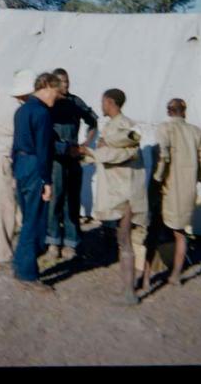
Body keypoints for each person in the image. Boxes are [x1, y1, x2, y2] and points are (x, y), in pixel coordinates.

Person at [79, 89, 148, 305]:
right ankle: (127, 288)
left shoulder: (127, 126)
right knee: (122, 240)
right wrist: (87, 155)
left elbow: (126, 153)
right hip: (117, 191)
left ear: (109, 102)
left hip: (126, 192)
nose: (101, 105)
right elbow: (106, 155)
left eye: (102, 102)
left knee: (126, 241)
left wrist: (93, 153)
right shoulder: (111, 126)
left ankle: (130, 293)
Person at [142, 98, 201, 288]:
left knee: (153, 232)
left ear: (169, 111)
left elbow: (163, 155)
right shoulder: (196, 132)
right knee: (180, 233)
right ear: (184, 111)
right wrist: (199, 180)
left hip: (167, 187)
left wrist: (157, 178)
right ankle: (176, 276)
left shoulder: (165, 128)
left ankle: (146, 278)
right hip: (187, 189)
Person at [11, 72, 65, 291]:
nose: (57, 97)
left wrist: (16, 170)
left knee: (27, 219)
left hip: (22, 165)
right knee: (34, 221)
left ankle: (19, 265)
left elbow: (15, 144)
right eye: (56, 92)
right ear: (46, 87)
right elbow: (44, 150)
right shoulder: (42, 113)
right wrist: (46, 180)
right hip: (35, 167)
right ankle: (28, 275)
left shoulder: (21, 110)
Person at [45, 68, 98, 260]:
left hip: (74, 156)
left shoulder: (76, 102)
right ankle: (53, 241)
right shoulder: (49, 104)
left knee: (72, 200)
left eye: (67, 81)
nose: (66, 85)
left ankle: (71, 242)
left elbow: (93, 121)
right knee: (55, 199)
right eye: (61, 82)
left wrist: (86, 142)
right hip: (56, 158)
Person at [0, 69, 35, 264]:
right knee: (3, 206)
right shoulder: (15, 109)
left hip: (5, 156)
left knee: (11, 203)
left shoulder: (14, 102)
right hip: (1, 158)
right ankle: (1, 254)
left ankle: (16, 242)